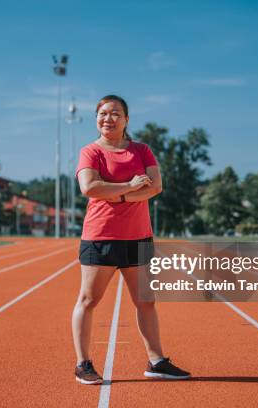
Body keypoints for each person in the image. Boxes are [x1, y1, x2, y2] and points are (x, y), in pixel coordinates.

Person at [72, 94, 191, 384]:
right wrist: (128, 190)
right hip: (101, 235)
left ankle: (156, 361)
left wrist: (115, 192)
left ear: (126, 119)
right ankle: (83, 364)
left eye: (115, 113)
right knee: (88, 300)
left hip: (138, 236)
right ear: (96, 118)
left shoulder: (141, 150)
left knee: (146, 301)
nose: (108, 119)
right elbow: (89, 187)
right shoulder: (91, 152)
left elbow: (156, 186)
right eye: (102, 114)